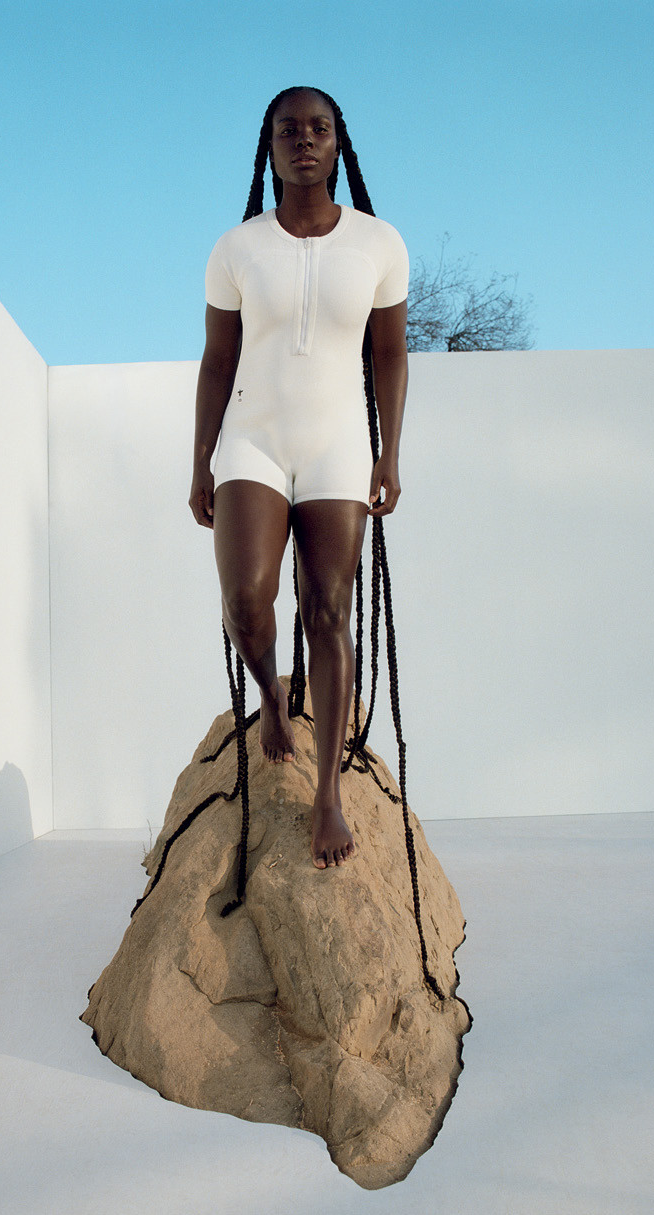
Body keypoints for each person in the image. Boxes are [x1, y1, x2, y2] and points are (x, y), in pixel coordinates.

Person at [188, 87, 409, 872]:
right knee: (247, 601)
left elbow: (390, 354)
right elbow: (218, 359)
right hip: (252, 440)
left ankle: (327, 796)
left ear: (338, 143)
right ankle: (271, 698)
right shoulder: (236, 247)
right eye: (290, 130)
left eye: (319, 129)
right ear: (271, 144)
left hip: (337, 445)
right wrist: (200, 457)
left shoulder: (379, 242)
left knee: (328, 609)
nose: (304, 140)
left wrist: (388, 454)